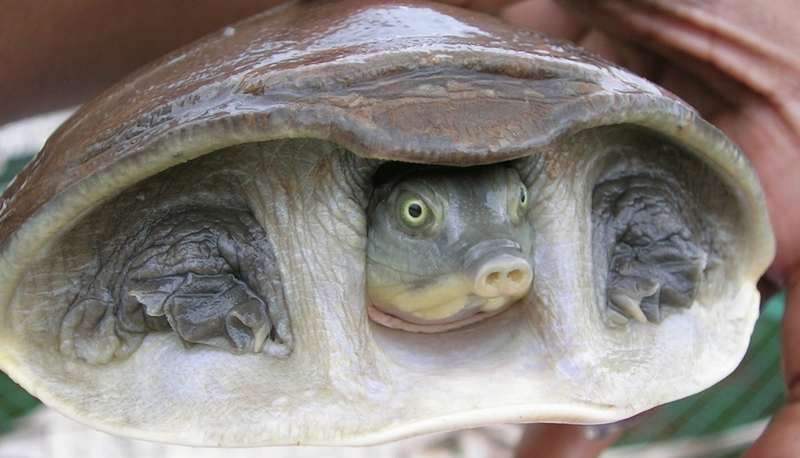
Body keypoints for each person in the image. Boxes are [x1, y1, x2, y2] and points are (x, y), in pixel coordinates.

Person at [1, 1, 798, 456]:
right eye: (416, 216)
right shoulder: (213, 224)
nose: (500, 261)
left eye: (519, 216)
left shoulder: (582, 219)